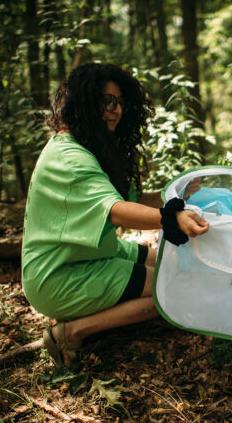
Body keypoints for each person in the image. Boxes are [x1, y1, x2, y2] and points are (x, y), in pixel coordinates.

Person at [21, 63, 209, 367]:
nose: (116, 110)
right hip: (58, 274)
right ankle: (70, 332)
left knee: (162, 258)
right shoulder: (69, 156)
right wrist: (171, 217)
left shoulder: (87, 147)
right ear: (84, 101)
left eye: (121, 102)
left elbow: (130, 199)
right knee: (172, 285)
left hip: (88, 255)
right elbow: (117, 212)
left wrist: (179, 195)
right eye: (108, 100)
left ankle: (86, 311)